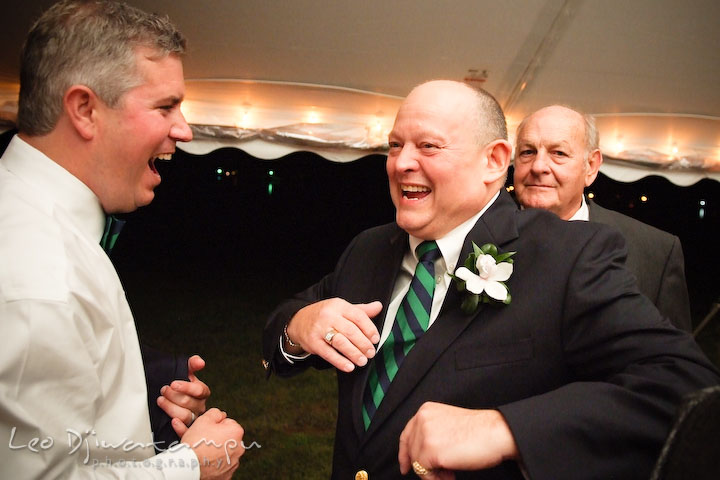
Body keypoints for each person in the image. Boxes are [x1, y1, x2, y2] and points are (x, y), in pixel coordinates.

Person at [262, 80, 719, 479]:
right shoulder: (369, 248)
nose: (401, 163)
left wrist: (506, 428)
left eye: (428, 147)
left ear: (493, 160)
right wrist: (298, 328)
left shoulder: (567, 257)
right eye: (395, 145)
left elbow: (686, 385)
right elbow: (283, 329)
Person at [0, 1, 244, 478]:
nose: (185, 130)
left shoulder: (34, 218)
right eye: (165, 106)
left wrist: (139, 385)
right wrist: (192, 466)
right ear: (85, 110)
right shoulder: (39, 275)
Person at [513, 105, 691, 331]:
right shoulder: (480, 237)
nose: (538, 166)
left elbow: (673, 361)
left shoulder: (655, 252)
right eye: (527, 152)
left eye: (558, 153)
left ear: (591, 166)